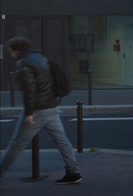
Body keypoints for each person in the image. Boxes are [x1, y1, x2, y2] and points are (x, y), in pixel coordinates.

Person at [0, 37, 82, 184]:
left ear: (18, 49)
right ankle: (74, 172)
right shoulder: (40, 57)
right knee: (62, 140)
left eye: (11, 51)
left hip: (38, 110)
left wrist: (29, 113)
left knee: (17, 145)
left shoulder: (24, 63)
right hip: (52, 106)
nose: (11, 55)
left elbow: (29, 91)